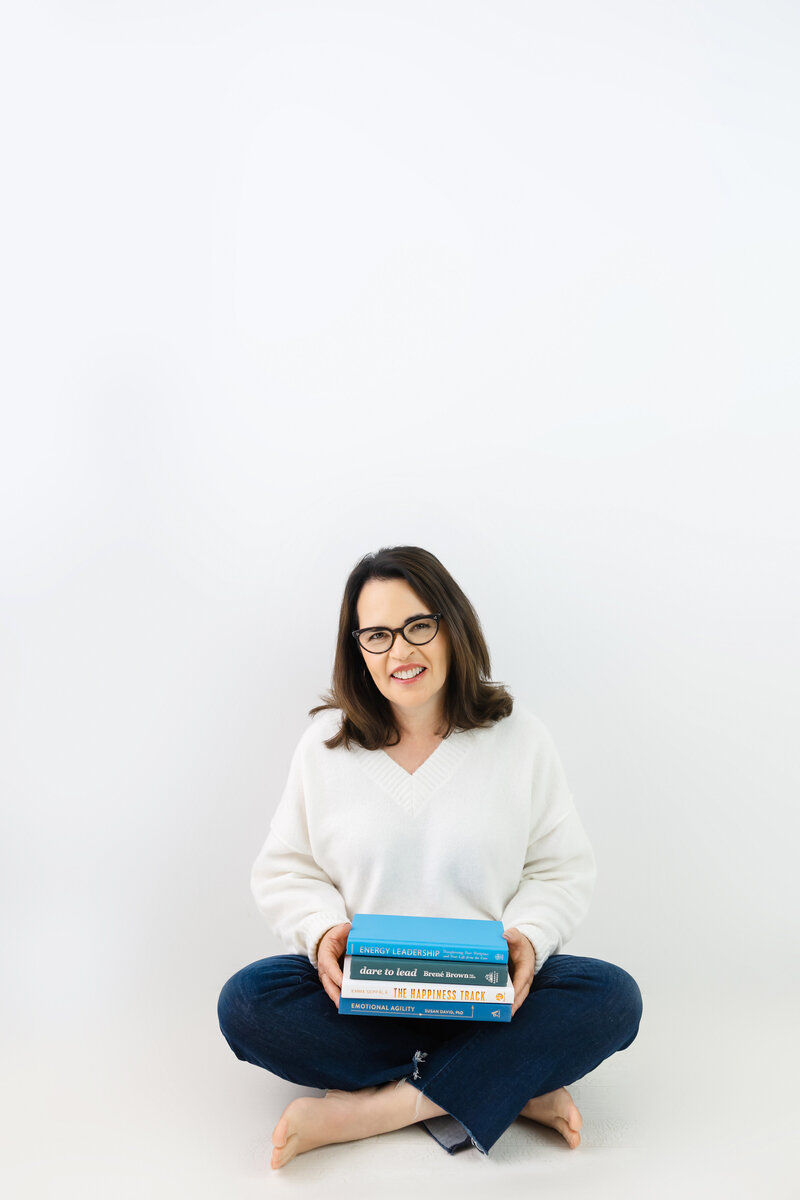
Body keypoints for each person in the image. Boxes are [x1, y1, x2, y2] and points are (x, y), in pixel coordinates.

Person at [218, 546, 642, 1169]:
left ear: (453, 625)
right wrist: (321, 932)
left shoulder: (517, 738)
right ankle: (503, 1085)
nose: (400, 652)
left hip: (493, 998)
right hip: (368, 1001)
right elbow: (287, 869)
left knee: (611, 997)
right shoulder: (325, 748)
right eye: (378, 635)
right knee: (248, 1002)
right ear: (357, 646)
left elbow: (559, 867)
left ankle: (377, 1108)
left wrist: (528, 936)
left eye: (419, 626)